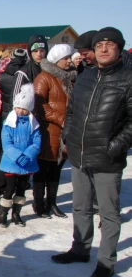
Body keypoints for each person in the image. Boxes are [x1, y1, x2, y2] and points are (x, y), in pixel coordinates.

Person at [52, 27, 132, 277]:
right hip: (79, 154)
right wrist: (68, 137)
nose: (104, 49)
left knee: (109, 214)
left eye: (110, 45)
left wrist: (114, 147)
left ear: (119, 49)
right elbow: (72, 112)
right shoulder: (85, 77)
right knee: (81, 207)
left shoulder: (128, 79)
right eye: (99, 46)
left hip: (107, 160)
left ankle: (106, 262)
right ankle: (80, 249)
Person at [33, 44, 77, 218]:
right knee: (42, 169)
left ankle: (51, 202)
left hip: (65, 133)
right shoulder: (44, 78)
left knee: (56, 170)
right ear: (56, 60)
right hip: (48, 131)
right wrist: (62, 119)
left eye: (69, 57)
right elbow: (39, 105)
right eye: (65, 58)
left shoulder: (70, 79)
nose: (69, 61)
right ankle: (38, 203)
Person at [0, 48, 29, 212]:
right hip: (11, 115)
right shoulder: (22, 73)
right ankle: (1, 187)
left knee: (2, 151)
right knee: (8, 152)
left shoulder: (0, 72)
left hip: (1, 114)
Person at [0, 84, 41, 227]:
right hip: (12, 163)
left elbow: (36, 142)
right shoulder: (8, 123)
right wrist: (18, 156)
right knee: (9, 189)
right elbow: (7, 144)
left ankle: (16, 214)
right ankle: (3, 214)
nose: (20, 111)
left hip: (28, 163)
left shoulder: (33, 124)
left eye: (24, 108)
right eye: (18, 107)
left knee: (22, 189)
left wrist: (28, 155)